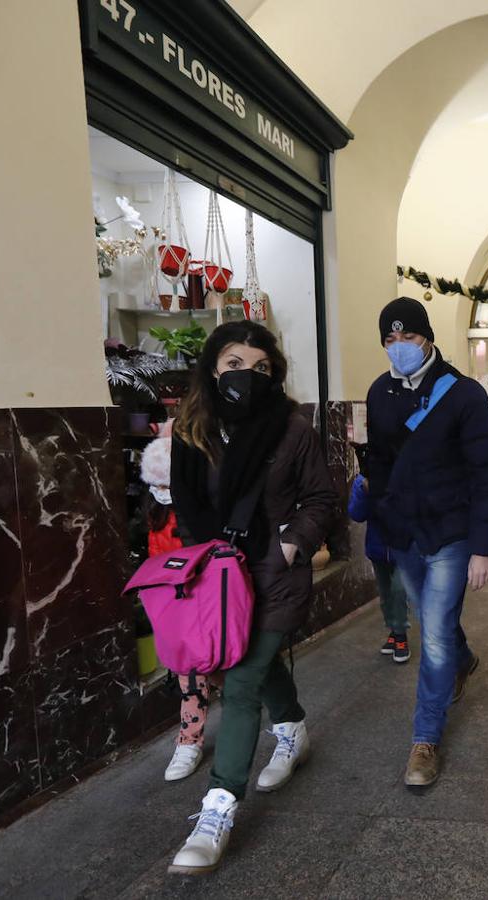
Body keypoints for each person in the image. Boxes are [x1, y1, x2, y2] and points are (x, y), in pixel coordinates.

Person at [166, 321, 338, 875]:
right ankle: (292, 729)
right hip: (217, 578)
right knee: (256, 669)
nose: (247, 375)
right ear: (214, 368)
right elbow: (187, 503)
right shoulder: (192, 430)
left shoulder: (292, 429)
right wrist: (203, 566)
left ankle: (216, 810)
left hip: (274, 575)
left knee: (240, 681)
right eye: (235, 364)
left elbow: (319, 497)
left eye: (260, 368)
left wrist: (293, 544)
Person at [365, 297, 488, 788]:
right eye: (390, 339)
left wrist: (484, 547)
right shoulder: (379, 393)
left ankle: (424, 740)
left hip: (450, 534)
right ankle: (465, 661)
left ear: (427, 339)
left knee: (435, 636)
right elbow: (377, 467)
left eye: (408, 337)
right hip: (404, 534)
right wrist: (380, 526)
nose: (399, 347)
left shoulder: (464, 395)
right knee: (434, 620)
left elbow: (487, 473)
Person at [138, 427, 222, 782]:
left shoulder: (201, 509)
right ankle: (189, 741)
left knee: (223, 671)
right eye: (156, 487)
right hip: (177, 610)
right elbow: (157, 563)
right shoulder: (154, 517)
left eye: (167, 486)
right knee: (191, 678)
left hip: (207, 603)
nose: (162, 494)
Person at [347, 465, 411, 663]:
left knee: (399, 589)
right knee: (385, 594)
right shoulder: (364, 479)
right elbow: (356, 514)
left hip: (405, 547)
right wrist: (364, 489)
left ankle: (400, 636)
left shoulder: (406, 469)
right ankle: (393, 629)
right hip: (378, 547)